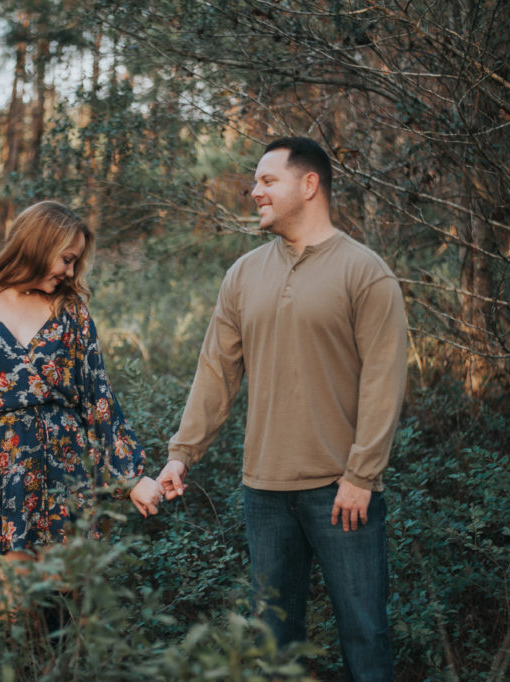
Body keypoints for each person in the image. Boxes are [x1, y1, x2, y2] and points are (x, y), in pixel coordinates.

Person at [156, 137, 407, 681]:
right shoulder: (243, 275)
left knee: (365, 634)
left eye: (268, 181)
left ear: (309, 184)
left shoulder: (366, 273)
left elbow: (385, 382)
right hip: (264, 493)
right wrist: (182, 454)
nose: (255, 192)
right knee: (273, 642)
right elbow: (216, 372)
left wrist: (362, 474)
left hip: (342, 493)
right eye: (255, 182)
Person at [0, 200, 162, 602]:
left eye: (75, 263)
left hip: (65, 478)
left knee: (65, 609)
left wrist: (132, 476)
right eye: (67, 259)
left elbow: (98, 399)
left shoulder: (71, 311)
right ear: (37, 244)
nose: (70, 272)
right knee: (13, 615)